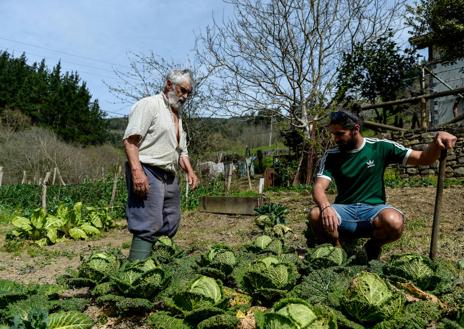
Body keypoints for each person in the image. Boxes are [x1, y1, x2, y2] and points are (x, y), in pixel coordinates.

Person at [309, 110, 457, 260]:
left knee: (394, 221)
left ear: (356, 129)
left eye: (340, 134)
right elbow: (319, 187)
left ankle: (372, 247)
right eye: (334, 134)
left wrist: (437, 141)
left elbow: (423, 158)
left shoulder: (380, 147)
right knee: (316, 214)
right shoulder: (332, 155)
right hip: (344, 211)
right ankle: (337, 248)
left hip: (372, 211)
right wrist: (326, 207)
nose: (336, 139)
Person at [123, 68, 199, 261]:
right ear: (169, 85)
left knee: (170, 222)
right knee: (147, 222)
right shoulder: (149, 105)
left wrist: (190, 171)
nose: (185, 96)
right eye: (183, 90)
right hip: (148, 169)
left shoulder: (176, 116)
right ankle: (135, 271)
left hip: (169, 174)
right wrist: (137, 172)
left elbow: (181, 150)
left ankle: (157, 267)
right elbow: (130, 141)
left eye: (189, 93)